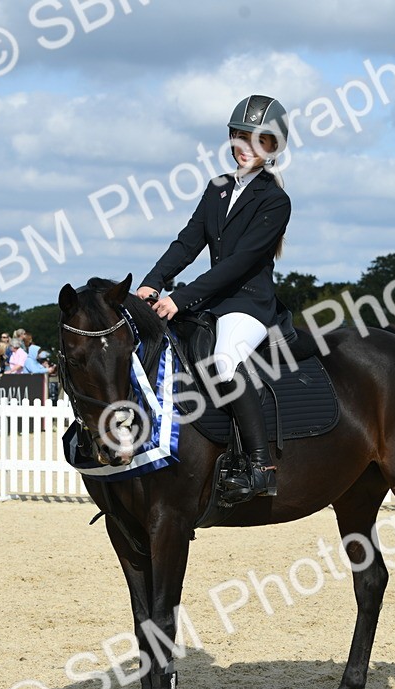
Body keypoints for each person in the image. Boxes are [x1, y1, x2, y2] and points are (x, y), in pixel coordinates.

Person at [136, 94, 292, 503]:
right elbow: (188, 242)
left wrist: (180, 298)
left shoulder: (275, 201)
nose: (244, 147)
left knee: (225, 361)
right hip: (210, 302)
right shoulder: (217, 188)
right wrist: (153, 282)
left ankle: (260, 466)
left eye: (257, 140)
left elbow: (239, 263)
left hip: (248, 303)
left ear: (273, 148)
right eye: (239, 137)